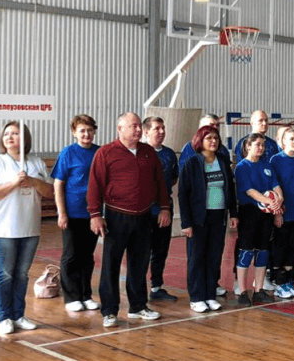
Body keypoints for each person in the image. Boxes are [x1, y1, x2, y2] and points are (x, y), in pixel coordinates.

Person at [87, 113, 172, 327]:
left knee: (139, 264)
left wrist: (164, 208)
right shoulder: (105, 153)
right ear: (120, 129)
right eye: (133, 126)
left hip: (143, 216)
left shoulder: (148, 152)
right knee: (111, 265)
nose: (137, 129)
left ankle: (138, 307)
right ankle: (109, 311)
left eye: (138, 126)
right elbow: (95, 185)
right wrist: (95, 215)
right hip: (116, 217)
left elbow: (160, 183)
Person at [0, 121, 54, 335]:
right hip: (1, 229)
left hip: (29, 228)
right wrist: (13, 183)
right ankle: (4, 317)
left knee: (22, 274)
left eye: (15, 133)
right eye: (6, 134)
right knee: (5, 273)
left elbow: (49, 192)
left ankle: (18, 315)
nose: (9, 137)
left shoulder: (36, 162)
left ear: (25, 138)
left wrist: (33, 182)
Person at [178, 125, 235, 312]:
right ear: (200, 141)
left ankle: (210, 295)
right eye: (209, 138)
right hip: (198, 219)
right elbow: (183, 195)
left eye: (216, 138)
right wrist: (186, 223)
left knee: (214, 256)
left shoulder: (223, 161)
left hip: (218, 216)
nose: (213, 141)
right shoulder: (191, 163)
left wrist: (233, 213)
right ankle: (197, 297)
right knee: (197, 258)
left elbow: (230, 189)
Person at [51, 114, 101, 312]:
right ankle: (71, 297)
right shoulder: (68, 153)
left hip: (93, 213)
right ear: (74, 133)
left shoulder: (100, 152)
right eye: (82, 130)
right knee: (71, 255)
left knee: (87, 256)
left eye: (89, 130)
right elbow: (58, 184)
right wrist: (62, 213)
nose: (86, 134)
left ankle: (85, 295)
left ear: (94, 131)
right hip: (73, 212)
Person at [233, 133, 283, 305]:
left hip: (266, 214)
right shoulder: (242, 167)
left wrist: (279, 200)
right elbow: (250, 191)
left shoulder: (266, 165)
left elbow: (276, 186)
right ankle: (242, 291)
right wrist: (270, 201)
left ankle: (258, 290)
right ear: (248, 146)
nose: (261, 148)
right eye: (257, 145)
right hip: (249, 213)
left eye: (263, 145)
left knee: (263, 252)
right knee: (246, 251)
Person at [141, 116, 179, 302]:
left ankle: (156, 287)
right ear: (146, 132)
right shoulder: (140, 152)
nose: (162, 132)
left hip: (164, 210)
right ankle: (138, 289)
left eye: (163, 128)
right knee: (142, 251)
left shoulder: (170, 154)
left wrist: (163, 204)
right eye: (157, 128)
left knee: (161, 250)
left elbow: (173, 179)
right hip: (144, 211)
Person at [269, 128, 294, 297]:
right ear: (283, 141)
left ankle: (287, 281)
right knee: (280, 248)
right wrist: (277, 213)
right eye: (291, 139)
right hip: (284, 212)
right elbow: (273, 188)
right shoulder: (276, 160)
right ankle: (278, 283)